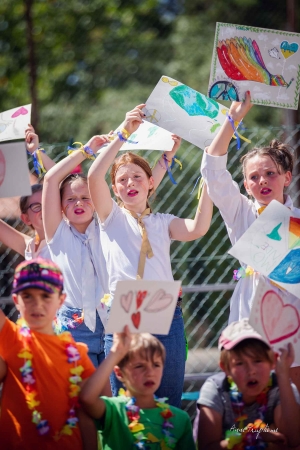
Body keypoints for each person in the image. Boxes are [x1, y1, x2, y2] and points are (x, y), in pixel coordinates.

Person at [87, 104, 213, 406]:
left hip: (164, 310)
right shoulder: (110, 217)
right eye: (122, 180)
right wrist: (123, 133)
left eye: (137, 177)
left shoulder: (162, 222)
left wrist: (211, 179)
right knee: (126, 403)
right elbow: (94, 176)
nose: (130, 183)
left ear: (151, 182)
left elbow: (197, 228)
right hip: (125, 311)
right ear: (114, 190)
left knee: (167, 402)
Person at [42, 132, 181, 368]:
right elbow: (50, 180)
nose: (79, 203)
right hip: (75, 326)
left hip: (112, 320)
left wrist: (166, 157)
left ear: (98, 199)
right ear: (60, 207)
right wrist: (85, 151)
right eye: (70, 200)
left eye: (86, 197)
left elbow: (143, 185)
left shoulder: (110, 224)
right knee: (81, 395)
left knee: (113, 394)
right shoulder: (56, 234)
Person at [200, 92, 300, 391]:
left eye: (270, 174)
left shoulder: (297, 218)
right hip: (249, 304)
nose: (262, 181)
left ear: (287, 177)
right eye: (254, 177)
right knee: (248, 389)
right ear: (245, 184)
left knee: (292, 390)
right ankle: (247, 438)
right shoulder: (240, 211)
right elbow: (213, 171)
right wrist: (234, 118)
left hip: (292, 308)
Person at [0, 257, 97, 450]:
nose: (37, 304)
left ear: (61, 300)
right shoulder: (12, 338)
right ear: (16, 300)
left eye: (45, 296)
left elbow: (86, 416)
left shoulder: (77, 354)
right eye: (27, 296)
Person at [80, 326, 196, 450]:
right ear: (119, 373)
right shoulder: (114, 411)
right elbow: (87, 398)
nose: (150, 372)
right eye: (140, 366)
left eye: (156, 365)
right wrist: (116, 354)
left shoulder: (179, 419)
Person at [197, 319, 300, 450]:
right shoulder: (216, 389)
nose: (251, 370)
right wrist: (251, 435)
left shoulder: (281, 386)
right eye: (239, 363)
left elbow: (293, 440)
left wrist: (283, 375)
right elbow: (206, 447)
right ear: (225, 368)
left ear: (273, 361)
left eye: (258, 360)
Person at [0, 125, 55, 260]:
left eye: (47, 203)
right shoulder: (28, 247)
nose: (44, 210)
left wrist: (36, 151)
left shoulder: (69, 236)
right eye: (37, 206)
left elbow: (62, 179)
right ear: (26, 218)